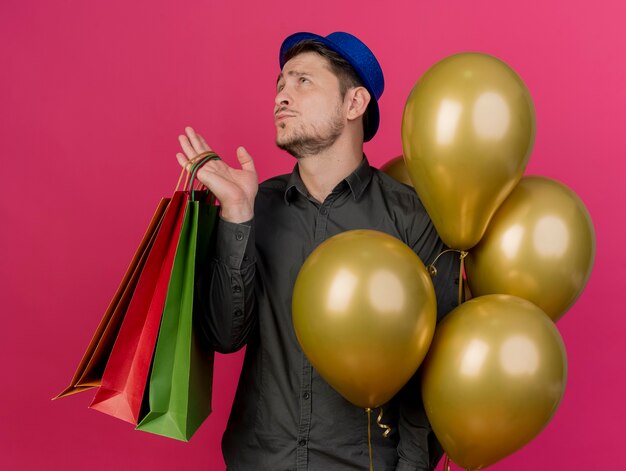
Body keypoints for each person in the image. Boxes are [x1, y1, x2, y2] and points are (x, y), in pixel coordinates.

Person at [175, 31, 459, 471]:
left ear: (354, 104)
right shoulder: (256, 207)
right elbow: (224, 337)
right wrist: (236, 214)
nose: (281, 97)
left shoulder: (412, 220)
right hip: (259, 460)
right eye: (280, 85)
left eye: (302, 81)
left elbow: (435, 369)